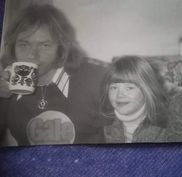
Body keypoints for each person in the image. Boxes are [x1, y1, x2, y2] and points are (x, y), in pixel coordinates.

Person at [0, 4, 106, 145]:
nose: (32, 55)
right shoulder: (6, 85)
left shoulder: (95, 78)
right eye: (23, 45)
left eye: (45, 45)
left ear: (61, 48)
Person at [100, 55, 169, 143]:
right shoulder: (104, 127)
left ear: (147, 90)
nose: (119, 95)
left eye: (129, 88)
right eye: (114, 88)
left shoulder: (165, 132)